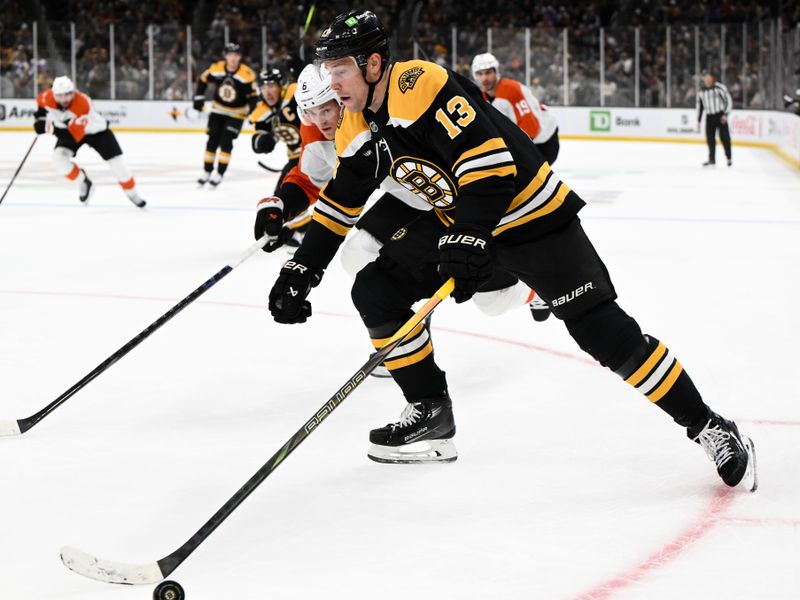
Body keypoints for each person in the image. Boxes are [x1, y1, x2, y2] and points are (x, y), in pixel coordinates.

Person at [266, 10, 758, 492]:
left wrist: (469, 234)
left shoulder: (418, 85)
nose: (333, 83)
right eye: (328, 71)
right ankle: (430, 412)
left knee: (604, 334)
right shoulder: (354, 125)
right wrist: (301, 268)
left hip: (531, 218)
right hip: (463, 224)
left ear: (373, 65)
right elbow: (340, 202)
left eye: (341, 69)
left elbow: (489, 162)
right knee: (375, 289)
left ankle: (709, 426)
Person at [33, 76, 146, 207]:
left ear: (73, 92)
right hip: (68, 130)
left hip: (96, 132)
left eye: (68, 94)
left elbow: (72, 136)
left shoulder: (82, 104)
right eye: (60, 95)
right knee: (58, 158)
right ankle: (84, 182)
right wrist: (39, 121)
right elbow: (41, 110)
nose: (64, 99)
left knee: (118, 164)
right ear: (53, 94)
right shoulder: (45, 97)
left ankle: (132, 193)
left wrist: (50, 129)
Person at [471, 52, 560, 165]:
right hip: (530, 143)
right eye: (480, 74)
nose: (484, 78)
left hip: (544, 142)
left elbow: (531, 127)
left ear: (496, 72)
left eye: (488, 72)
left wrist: (514, 151)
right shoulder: (484, 97)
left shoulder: (511, 90)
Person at [193, 43, 258, 187]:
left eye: (236, 55)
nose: (233, 58)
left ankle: (220, 173)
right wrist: (198, 97)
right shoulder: (217, 68)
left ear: (240, 57)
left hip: (237, 114)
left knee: (226, 142)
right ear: (226, 56)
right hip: (218, 110)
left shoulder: (247, 74)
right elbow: (203, 80)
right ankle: (207, 171)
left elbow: (253, 96)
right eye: (230, 55)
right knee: (212, 141)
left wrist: (253, 111)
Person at [249, 65, 303, 191]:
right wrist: (266, 141)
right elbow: (256, 144)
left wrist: (300, 68)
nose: (267, 92)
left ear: (280, 86)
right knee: (280, 200)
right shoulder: (262, 111)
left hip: (321, 150)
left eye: (271, 86)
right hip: (296, 158)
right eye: (264, 87)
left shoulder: (294, 93)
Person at [697, 73, 733, 167]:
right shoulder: (701, 91)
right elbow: (700, 106)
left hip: (720, 116)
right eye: (706, 80)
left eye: (709, 79)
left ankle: (729, 158)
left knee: (725, 138)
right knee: (710, 139)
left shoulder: (719, 88)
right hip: (709, 117)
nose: (707, 81)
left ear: (712, 79)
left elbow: (728, 101)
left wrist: (726, 114)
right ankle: (711, 159)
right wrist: (699, 120)